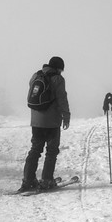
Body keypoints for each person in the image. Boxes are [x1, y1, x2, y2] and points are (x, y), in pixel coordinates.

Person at [19, 56, 71, 192]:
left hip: (36, 121)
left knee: (35, 150)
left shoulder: (36, 76)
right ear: (59, 68)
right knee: (51, 151)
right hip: (52, 122)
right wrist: (66, 115)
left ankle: (28, 180)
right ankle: (47, 180)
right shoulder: (58, 79)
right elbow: (62, 98)